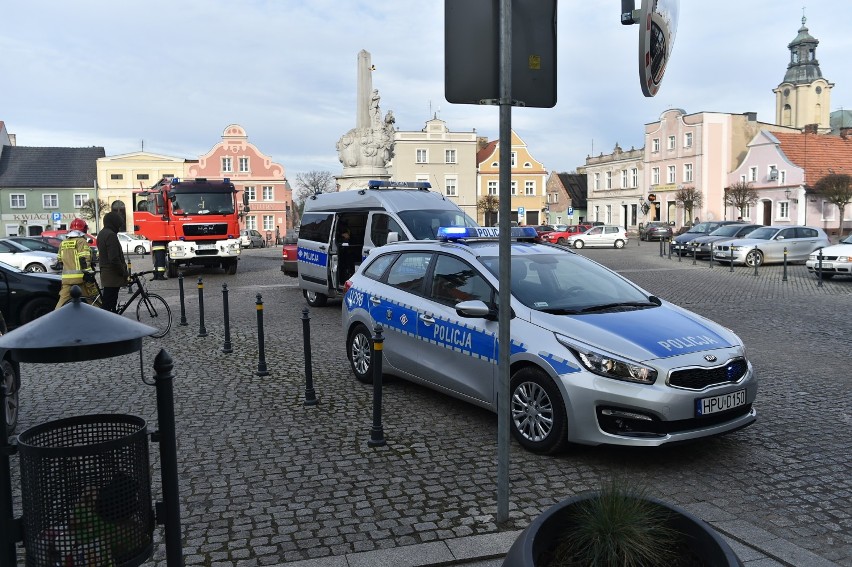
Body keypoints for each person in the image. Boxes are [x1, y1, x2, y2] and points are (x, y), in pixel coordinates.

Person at [55, 218, 98, 309]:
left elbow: (59, 260)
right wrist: (89, 274)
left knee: (62, 302)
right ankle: (102, 319)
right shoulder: (81, 241)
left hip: (66, 279)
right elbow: (84, 259)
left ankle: (54, 318)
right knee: (93, 299)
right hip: (81, 278)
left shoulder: (63, 243)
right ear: (83, 229)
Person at [97, 212, 130, 312]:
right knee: (109, 306)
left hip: (106, 275)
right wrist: (123, 272)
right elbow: (114, 258)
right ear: (114, 224)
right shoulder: (111, 235)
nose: (119, 228)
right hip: (112, 276)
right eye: (118, 225)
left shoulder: (102, 233)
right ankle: (107, 326)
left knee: (108, 305)